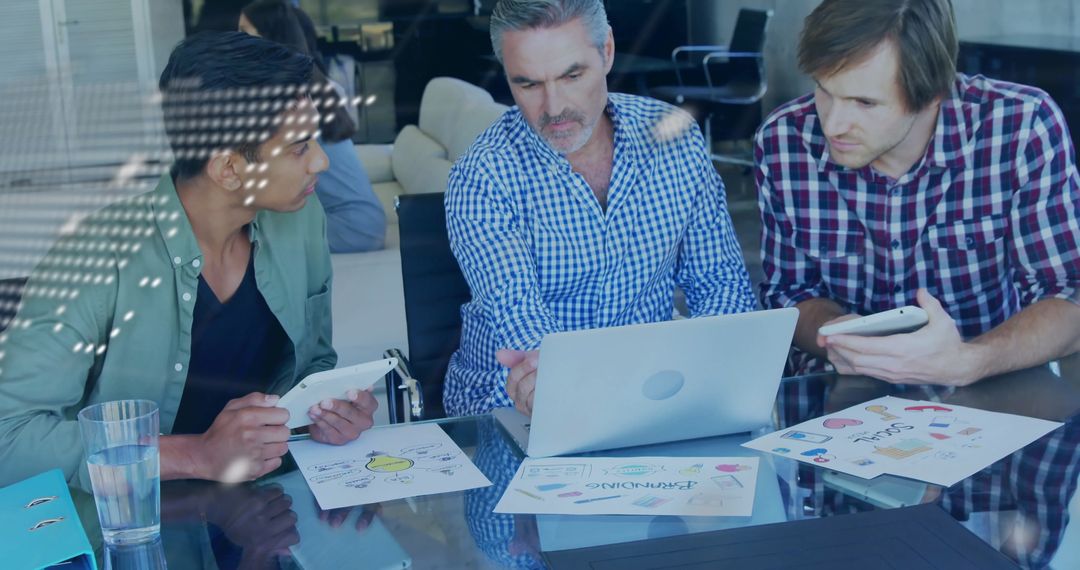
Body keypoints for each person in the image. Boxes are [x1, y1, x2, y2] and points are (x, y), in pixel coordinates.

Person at [0, 32, 378, 488]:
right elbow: (11, 439)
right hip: (137, 525)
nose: (320, 162)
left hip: (272, 511)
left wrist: (328, 412)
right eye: (299, 147)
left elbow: (314, 363)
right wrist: (196, 454)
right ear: (229, 170)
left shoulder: (300, 220)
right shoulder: (94, 259)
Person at [443, 0, 756, 417]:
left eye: (572, 75)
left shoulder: (674, 140)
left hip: (652, 393)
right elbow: (524, 325)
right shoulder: (482, 175)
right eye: (529, 85)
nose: (554, 109)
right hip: (515, 404)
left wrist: (717, 374)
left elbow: (719, 282)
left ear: (606, 50)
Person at [755, 0, 1080, 385]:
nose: (833, 124)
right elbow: (788, 294)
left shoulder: (1021, 126)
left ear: (933, 94)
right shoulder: (783, 140)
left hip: (987, 389)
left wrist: (970, 360)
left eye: (865, 103)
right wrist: (836, 333)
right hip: (836, 394)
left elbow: (1069, 295)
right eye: (824, 91)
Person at [240, 0, 387, 253]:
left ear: (268, 36)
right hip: (364, 221)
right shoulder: (309, 82)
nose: (237, 41)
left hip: (351, 227)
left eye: (244, 32)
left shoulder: (293, 97)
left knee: (245, 234)